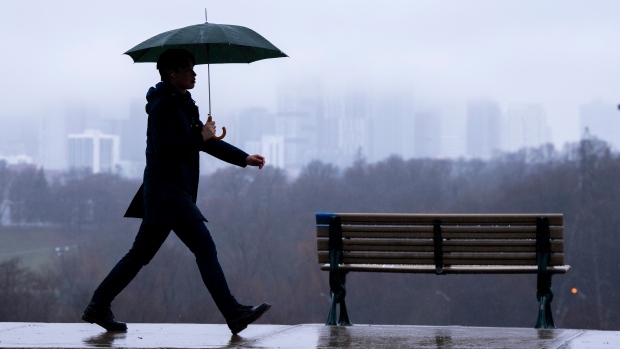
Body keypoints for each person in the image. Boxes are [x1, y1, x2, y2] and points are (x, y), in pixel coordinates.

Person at [81, 49, 270, 335]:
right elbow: (165, 146)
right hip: (166, 193)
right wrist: (199, 136)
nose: (194, 73)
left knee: (138, 256)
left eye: (194, 69)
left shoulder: (183, 103)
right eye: (189, 69)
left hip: (169, 194)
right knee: (204, 247)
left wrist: (243, 158)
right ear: (172, 72)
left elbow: (203, 143)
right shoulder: (162, 106)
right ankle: (233, 313)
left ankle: (98, 305)